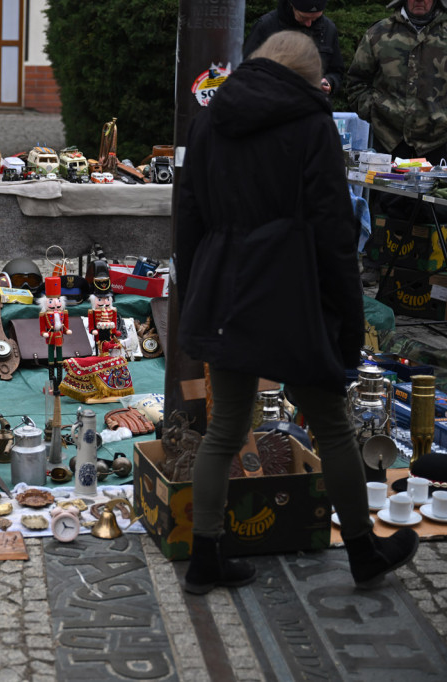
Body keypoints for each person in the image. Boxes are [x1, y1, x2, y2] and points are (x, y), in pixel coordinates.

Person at [175, 31, 418, 595]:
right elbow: (335, 234)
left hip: (225, 289)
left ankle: (204, 556)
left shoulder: (210, 119)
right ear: (310, 80)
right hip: (292, 293)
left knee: (223, 431)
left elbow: (188, 217)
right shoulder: (312, 127)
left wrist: (196, 294)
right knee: (333, 426)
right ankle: (363, 551)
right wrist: (346, 320)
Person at [345, 0, 447, 165]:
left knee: (436, 192)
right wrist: (374, 110)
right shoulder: (378, 33)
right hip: (389, 142)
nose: (419, 1)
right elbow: (356, 83)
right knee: (387, 191)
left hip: (439, 144)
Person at [243, 0, 343, 95]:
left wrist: (329, 82)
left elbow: (336, 72)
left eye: (315, 18)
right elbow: (246, 70)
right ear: (291, 5)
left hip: (311, 106)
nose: (309, 24)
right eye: (303, 17)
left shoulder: (328, 29)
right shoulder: (266, 26)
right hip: (271, 104)